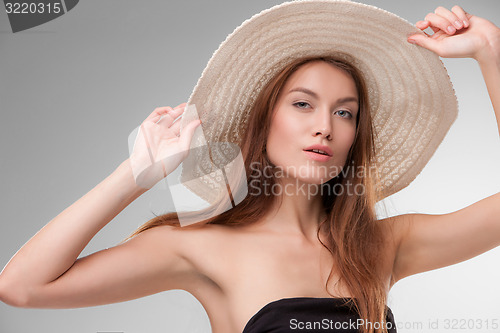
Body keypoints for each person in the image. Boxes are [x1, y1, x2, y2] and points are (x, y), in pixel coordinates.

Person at [0, 1, 499, 332]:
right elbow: (22, 287)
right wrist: (134, 175)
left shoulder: (382, 246)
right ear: (264, 124)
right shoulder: (200, 247)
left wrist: (490, 55)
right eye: (303, 105)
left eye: (344, 112)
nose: (325, 126)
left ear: (354, 137)